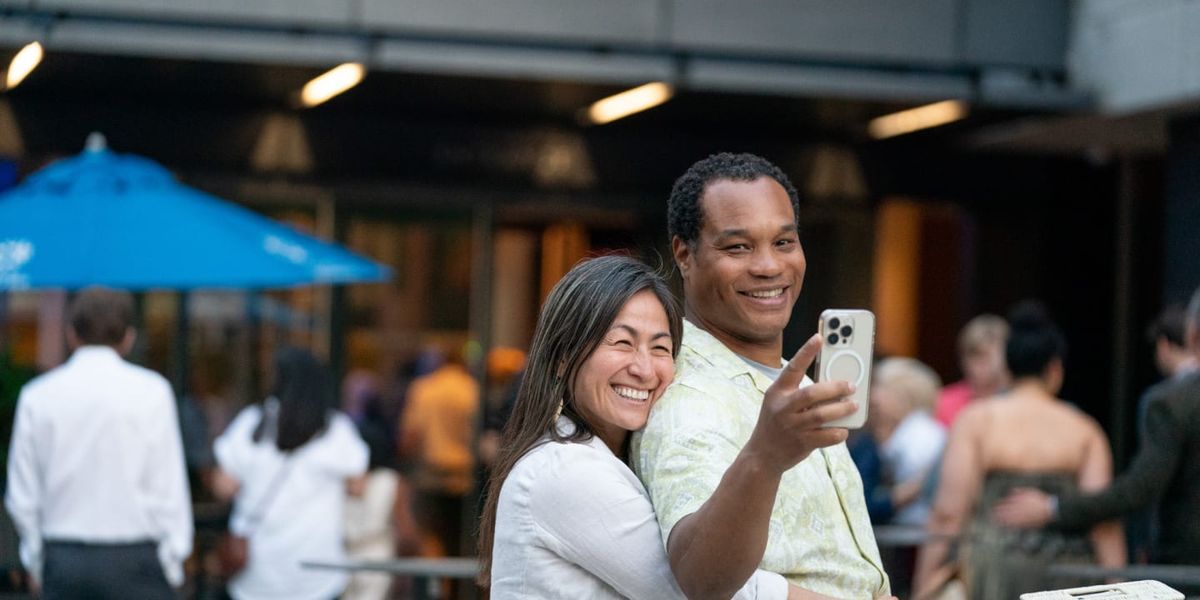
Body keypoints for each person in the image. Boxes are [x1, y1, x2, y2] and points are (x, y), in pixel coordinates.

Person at [634, 152, 891, 599]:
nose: (770, 266)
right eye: (738, 247)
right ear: (684, 254)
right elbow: (700, 578)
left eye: (785, 242)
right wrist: (764, 457)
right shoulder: (685, 396)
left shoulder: (799, 388)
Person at [478, 255, 790, 599]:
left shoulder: (611, 462)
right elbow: (707, 588)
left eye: (660, 348)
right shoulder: (563, 469)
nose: (643, 369)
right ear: (562, 357)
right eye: (622, 343)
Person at [914, 302, 1125, 600]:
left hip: (993, 570)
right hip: (1069, 576)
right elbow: (1102, 518)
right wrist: (1117, 582)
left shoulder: (977, 420)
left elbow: (949, 514)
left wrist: (924, 584)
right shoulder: (1084, 429)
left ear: (1008, 367)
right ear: (1055, 369)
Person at [5, 287, 192, 598]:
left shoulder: (38, 396)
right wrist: (172, 562)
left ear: (71, 334)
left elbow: (22, 494)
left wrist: (38, 561)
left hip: (64, 559)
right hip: (137, 560)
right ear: (128, 337)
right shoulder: (153, 392)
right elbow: (169, 487)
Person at [993, 286, 1200, 566]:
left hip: (1187, 564)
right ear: (1054, 368)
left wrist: (1053, 508)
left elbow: (1140, 489)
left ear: (1193, 336)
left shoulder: (1172, 402)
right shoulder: (1083, 430)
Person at [211, 347, 368, 600]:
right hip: (318, 573)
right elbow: (358, 487)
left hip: (256, 576)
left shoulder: (252, 424)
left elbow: (224, 486)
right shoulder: (335, 430)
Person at [399, 346, 479, 558]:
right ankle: (454, 591)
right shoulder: (471, 389)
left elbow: (410, 436)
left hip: (430, 477)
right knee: (462, 546)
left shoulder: (424, 389)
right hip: (464, 479)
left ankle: (434, 590)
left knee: (431, 543)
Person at [868, 357, 946, 526]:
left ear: (904, 396)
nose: (873, 397)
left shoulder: (921, 436)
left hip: (917, 532)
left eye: (880, 387)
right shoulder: (899, 433)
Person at [934, 314, 1010, 427]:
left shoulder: (1021, 401)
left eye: (986, 356)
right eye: (971, 355)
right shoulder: (944, 402)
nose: (976, 365)